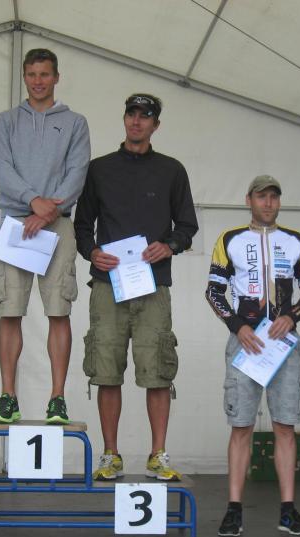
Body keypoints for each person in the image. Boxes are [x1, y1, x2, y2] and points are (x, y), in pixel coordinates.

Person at [74, 93, 198, 482]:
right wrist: (92, 252)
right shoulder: (99, 169)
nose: (137, 121)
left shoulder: (172, 170)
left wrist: (170, 244)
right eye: (131, 114)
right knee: (106, 372)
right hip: (107, 285)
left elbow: (187, 225)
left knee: (157, 371)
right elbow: (82, 225)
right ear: (124, 118)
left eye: (145, 116)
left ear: (155, 125)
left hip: (153, 285)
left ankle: (158, 455)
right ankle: (110, 455)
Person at [206, 175, 300, 537]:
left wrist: (292, 316)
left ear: (279, 201)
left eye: (273, 197)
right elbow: (214, 291)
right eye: (261, 196)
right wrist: (237, 326)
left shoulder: (297, 240)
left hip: (283, 345)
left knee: (285, 426)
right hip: (246, 343)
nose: (268, 203)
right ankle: (233, 510)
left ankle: (288, 510)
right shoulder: (230, 239)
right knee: (241, 427)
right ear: (249, 200)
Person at [0, 48, 91, 425]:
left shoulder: (75, 122)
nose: (37, 81)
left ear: (56, 77)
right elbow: (2, 169)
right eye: (31, 74)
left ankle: (57, 399)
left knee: (58, 311)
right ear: (24, 76)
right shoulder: (6, 121)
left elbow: (78, 172)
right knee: (10, 311)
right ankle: (8, 398)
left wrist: (46, 211)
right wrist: (33, 202)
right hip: (16, 224)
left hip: (57, 224)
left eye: (44, 74)